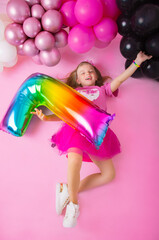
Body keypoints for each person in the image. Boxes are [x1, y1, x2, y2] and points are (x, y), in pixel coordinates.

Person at [31, 51, 152, 228]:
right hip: (76, 131)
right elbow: (65, 114)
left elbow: (119, 80)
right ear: (78, 80)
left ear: (95, 76)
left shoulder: (102, 90)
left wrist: (137, 62)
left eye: (90, 71)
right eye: (83, 72)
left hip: (96, 134)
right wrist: (47, 118)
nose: (87, 74)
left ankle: (67, 189)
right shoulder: (74, 93)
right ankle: (73, 204)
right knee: (74, 160)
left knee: (109, 175)